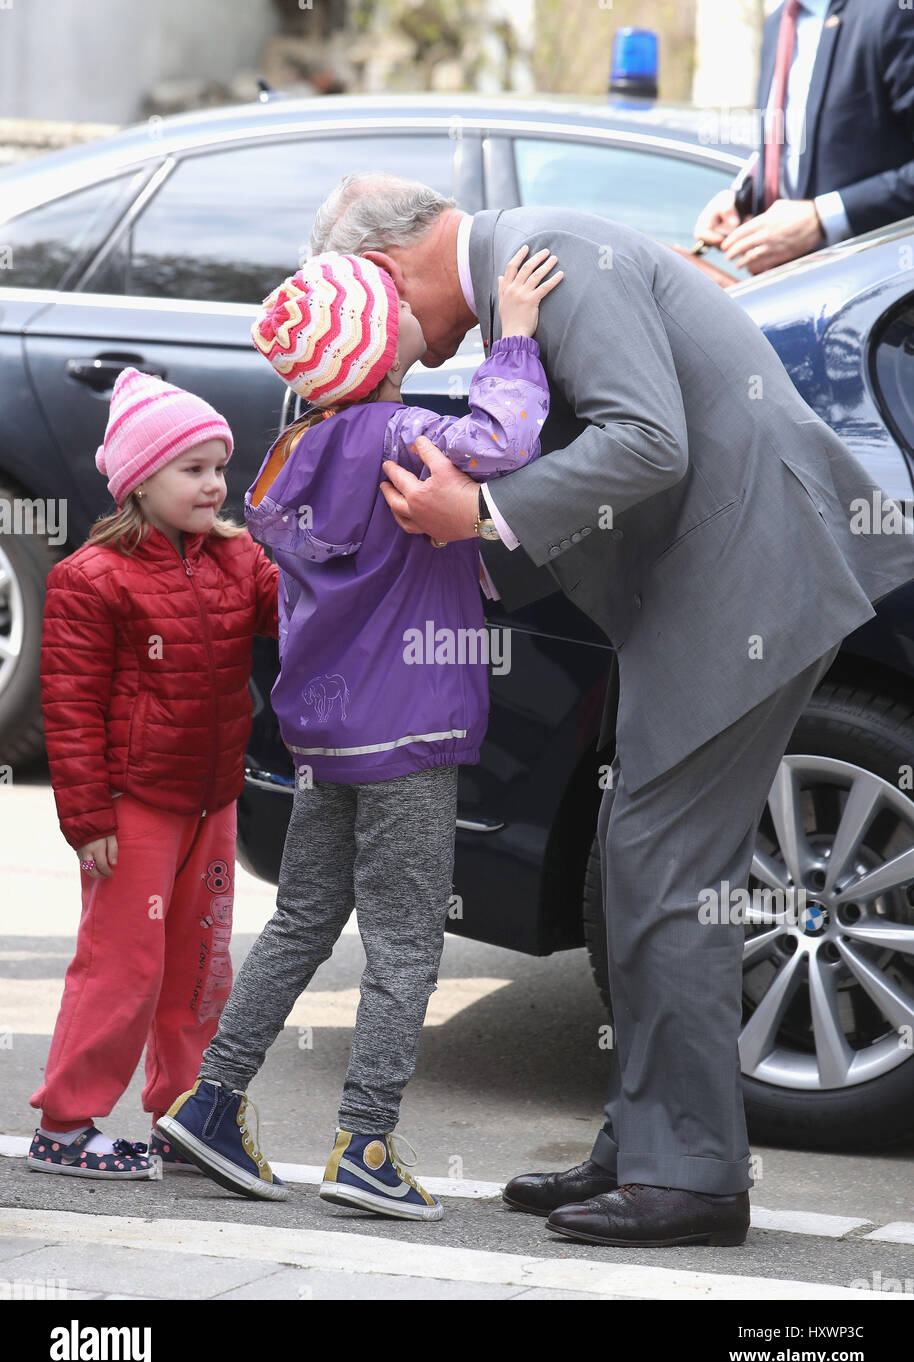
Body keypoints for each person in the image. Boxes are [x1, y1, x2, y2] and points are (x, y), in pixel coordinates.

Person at [308, 173, 914, 1247]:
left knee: (659, 868)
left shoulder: (545, 260)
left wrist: (482, 512)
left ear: (391, 266)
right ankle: (646, 1142)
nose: (388, 353)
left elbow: (648, 442)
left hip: (742, 587)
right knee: (639, 862)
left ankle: (689, 1176)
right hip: (717, 589)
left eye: (373, 314)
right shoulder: (524, 268)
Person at [157, 247, 558, 1219]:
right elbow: (503, 441)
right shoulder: (407, 432)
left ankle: (211, 1100)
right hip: (410, 731)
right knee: (406, 942)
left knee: (303, 918)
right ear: (381, 353)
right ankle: (365, 1143)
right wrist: (514, 335)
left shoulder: (291, 453)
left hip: (324, 735)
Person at [28, 369, 279, 1181]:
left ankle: (184, 1116)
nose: (215, 485)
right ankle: (66, 1123)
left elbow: (298, 612)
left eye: (220, 468)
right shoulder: (89, 580)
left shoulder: (239, 562)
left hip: (212, 801)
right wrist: (88, 819)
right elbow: (69, 708)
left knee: (202, 968)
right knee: (123, 965)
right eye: (194, 469)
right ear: (140, 480)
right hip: (132, 810)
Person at [694, 0, 914, 274]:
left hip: (879, 292)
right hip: (794, 290)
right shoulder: (778, 23)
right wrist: (743, 194)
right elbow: (794, 145)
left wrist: (821, 217)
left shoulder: (892, 12)